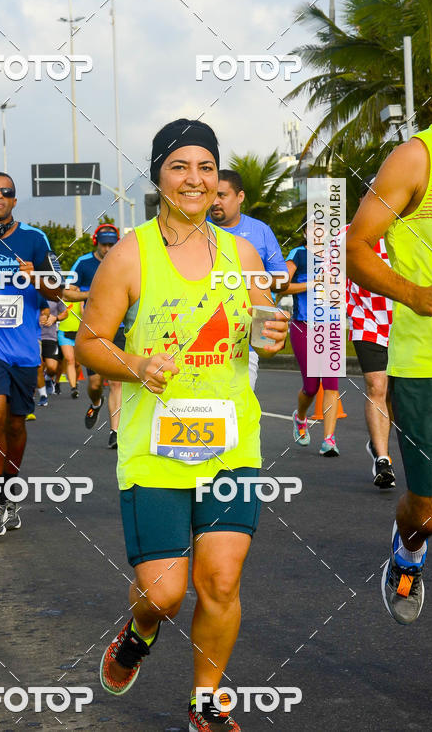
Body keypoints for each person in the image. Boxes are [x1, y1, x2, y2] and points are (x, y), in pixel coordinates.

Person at [75, 119, 288, 732]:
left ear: (218, 179)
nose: (195, 180)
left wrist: (271, 334)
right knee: (164, 594)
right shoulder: (129, 255)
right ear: (158, 176)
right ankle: (140, 631)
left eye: (206, 168)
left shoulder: (242, 255)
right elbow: (90, 343)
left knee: (220, 580)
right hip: (155, 446)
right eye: (179, 167)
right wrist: (136, 365)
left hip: (230, 442)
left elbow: (262, 326)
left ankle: (205, 703)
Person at [347, 33, 432, 625]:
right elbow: (355, 245)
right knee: (431, 511)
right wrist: (414, 294)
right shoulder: (416, 158)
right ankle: (409, 548)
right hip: (426, 361)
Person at [0, 172, 62, 537]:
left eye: (6, 192)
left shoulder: (34, 238)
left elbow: (56, 290)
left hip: (23, 349)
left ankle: (10, 492)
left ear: (13, 200)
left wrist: (35, 276)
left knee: (15, 424)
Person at [209, 170, 289, 390]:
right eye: (212, 195)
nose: (214, 202)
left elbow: (282, 280)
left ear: (240, 197)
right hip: (201, 341)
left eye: (222, 195)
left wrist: (242, 279)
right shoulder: (196, 229)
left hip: (246, 344)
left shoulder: (261, 231)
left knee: (237, 406)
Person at [346, 175, 395, 488]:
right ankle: (383, 459)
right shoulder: (345, 235)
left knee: (396, 395)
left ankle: (379, 442)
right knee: (377, 386)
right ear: (363, 199)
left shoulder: (406, 233)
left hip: (406, 323)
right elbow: (329, 282)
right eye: (374, 195)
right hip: (366, 321)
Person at [65, 224, 124, 448]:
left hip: (119, 329)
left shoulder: (124, 262)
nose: (108, 249)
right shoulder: (83, 263)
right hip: (93, 330)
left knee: (116, 382)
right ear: (96, 243)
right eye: (104, 245)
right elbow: (66, 292)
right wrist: (90, 294)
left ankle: (115, 432)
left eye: (112, 244)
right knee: (95, 383)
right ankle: (96, 403)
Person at [285, 229, 341, 456]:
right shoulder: (298, 254)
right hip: (304, 326)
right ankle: (300, 417)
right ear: (305, 232)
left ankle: (329, 440)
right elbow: (283, 286)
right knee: (311, 387)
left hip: (331, 327)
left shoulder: (335, 254)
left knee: (331, 385)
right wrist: (313, 283)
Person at [36, 297, 67, 406]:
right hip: (34, 336)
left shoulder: (53, 294)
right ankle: (43, 395)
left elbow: (65, 313)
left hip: (50, 336)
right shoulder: (29, 293)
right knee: (39, 366)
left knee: (52, 368)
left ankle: (48, 378)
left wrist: (55, 318)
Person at [55, 300, 81, 396]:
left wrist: (82, 305)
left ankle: (75, 382)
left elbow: (85, 315)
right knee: (70, 360)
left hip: (79, 333)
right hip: (64, 333)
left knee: (78, 364)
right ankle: (73, 388)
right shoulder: (61, 299)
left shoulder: (81, 299)